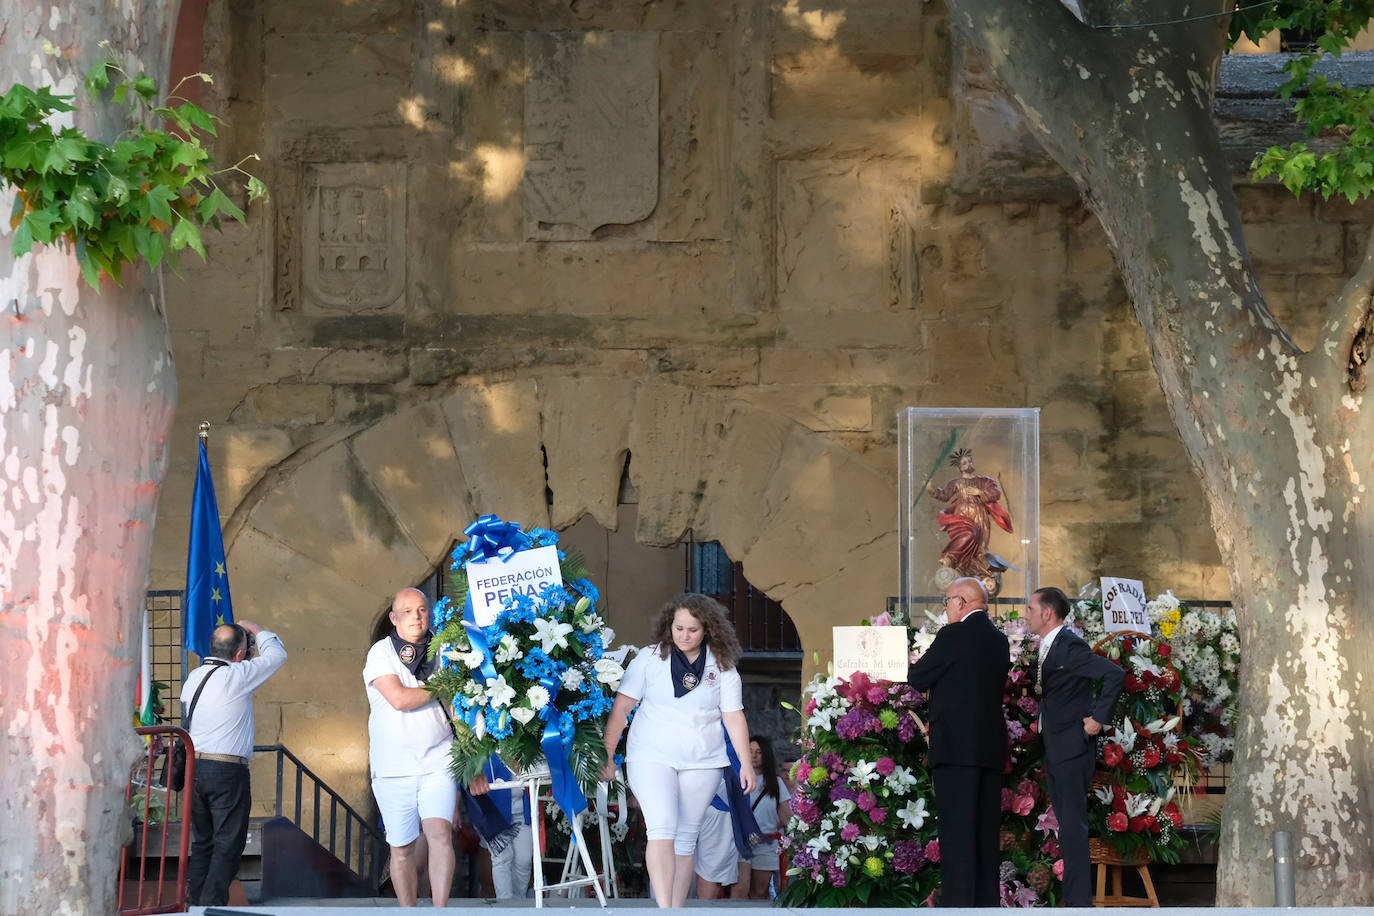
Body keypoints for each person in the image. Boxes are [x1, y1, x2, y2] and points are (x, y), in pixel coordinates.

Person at [601, 592, 758, 908]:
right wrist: (607, 754)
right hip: (650, 756)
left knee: (686, 839)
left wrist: (745, 762)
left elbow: (733, 715)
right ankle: (664, 909)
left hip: (703, 759)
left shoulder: (723, 665)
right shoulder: (649, 658)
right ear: (668, 626)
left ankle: (675, 910)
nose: (685, 635)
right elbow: (621, 709)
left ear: (707, 630)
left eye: (693, 629)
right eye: (679, 628)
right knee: (662, 828)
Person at [906, 577, 1009, 907]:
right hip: (990, 749)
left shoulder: (953, 635)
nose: (946, 607)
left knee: (957, 832)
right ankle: (986, 904)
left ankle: (959, 905)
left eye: (947, 601)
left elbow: (918, 677)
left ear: (963, 602)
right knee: (984, 832)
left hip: (955, 748)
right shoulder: (999, 640)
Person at [1026, 586, 1125, 907]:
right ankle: (1076, 901)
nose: (1026, 614)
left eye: (1030, 608)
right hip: (1057, 744)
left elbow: (1113, 674)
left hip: (1071, 746)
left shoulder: (1068, 646)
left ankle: (1079, 903)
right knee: (1068, 824)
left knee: (1072, 824)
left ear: (1047, 613)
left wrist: (1097, 719)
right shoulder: (1051, 645)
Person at [182, 619, 288, 907]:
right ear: (240, 654)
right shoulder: (237, 675)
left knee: (203, 841)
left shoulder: (195, 677)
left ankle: (195, 902)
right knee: (228, 841)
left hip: (196, 768)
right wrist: (254, 627)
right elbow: (277, 655)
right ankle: (212, 903)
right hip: (226, 770)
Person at [364, 588, 458, 907]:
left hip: (439, 759)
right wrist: (442, 686)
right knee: (402, 849)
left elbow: (459, 707)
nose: (417, 617)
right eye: (407, 611)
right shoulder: (381, 652)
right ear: (394, 617)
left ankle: (440, 910)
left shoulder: (446, 650)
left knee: (440, 835)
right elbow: (400, 699)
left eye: (422, 610)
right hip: (394, 765)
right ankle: (409, 911)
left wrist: (471, 756)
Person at [926, 448, 1014, 594]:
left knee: (979, 549)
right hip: (961, 516)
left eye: (969, 461)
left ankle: (970, 572)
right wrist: (931, 490)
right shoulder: (956, 483)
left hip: (980, 517)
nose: (968, 464)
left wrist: (980, 492)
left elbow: (996, 493)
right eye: (965, 463)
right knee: (968, 535)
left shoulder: (982, 481)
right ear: (960, 468)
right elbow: (944, 495)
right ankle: (950, 559)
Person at [732, 736, 792, 899]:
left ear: (766, 755)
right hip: (741, 842)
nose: (754, 755)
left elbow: (786, 814)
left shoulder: (776, 783)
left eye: (759, 752)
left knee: (760, 891)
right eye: (750, 751)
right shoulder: (737, 779)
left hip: (766, 842)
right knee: (740, 889)